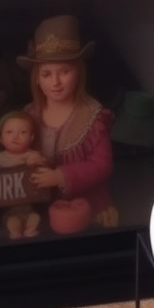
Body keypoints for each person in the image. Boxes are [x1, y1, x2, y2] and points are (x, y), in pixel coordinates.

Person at [16, 15, 117, 228]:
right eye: (46, 74)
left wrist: (60, 177)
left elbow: (101, 165)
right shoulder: (28, 115)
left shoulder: (93, 116)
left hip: (85, 202)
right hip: (37, 204)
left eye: (65, 72)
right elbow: (11, 152)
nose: (55, 82)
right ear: (36, 78)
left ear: (78, 73)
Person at [0, 108, 46, 239]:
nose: (15, 136)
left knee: (34, 218)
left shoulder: (31, 154)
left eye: (23, 132)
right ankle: (15, 232)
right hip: (9, 208)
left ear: (31, 138)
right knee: (12, 222)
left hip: (29, 205)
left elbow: (46, 166)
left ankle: (30, 230)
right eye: (9, 132)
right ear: (0, 137)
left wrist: (38, 161)